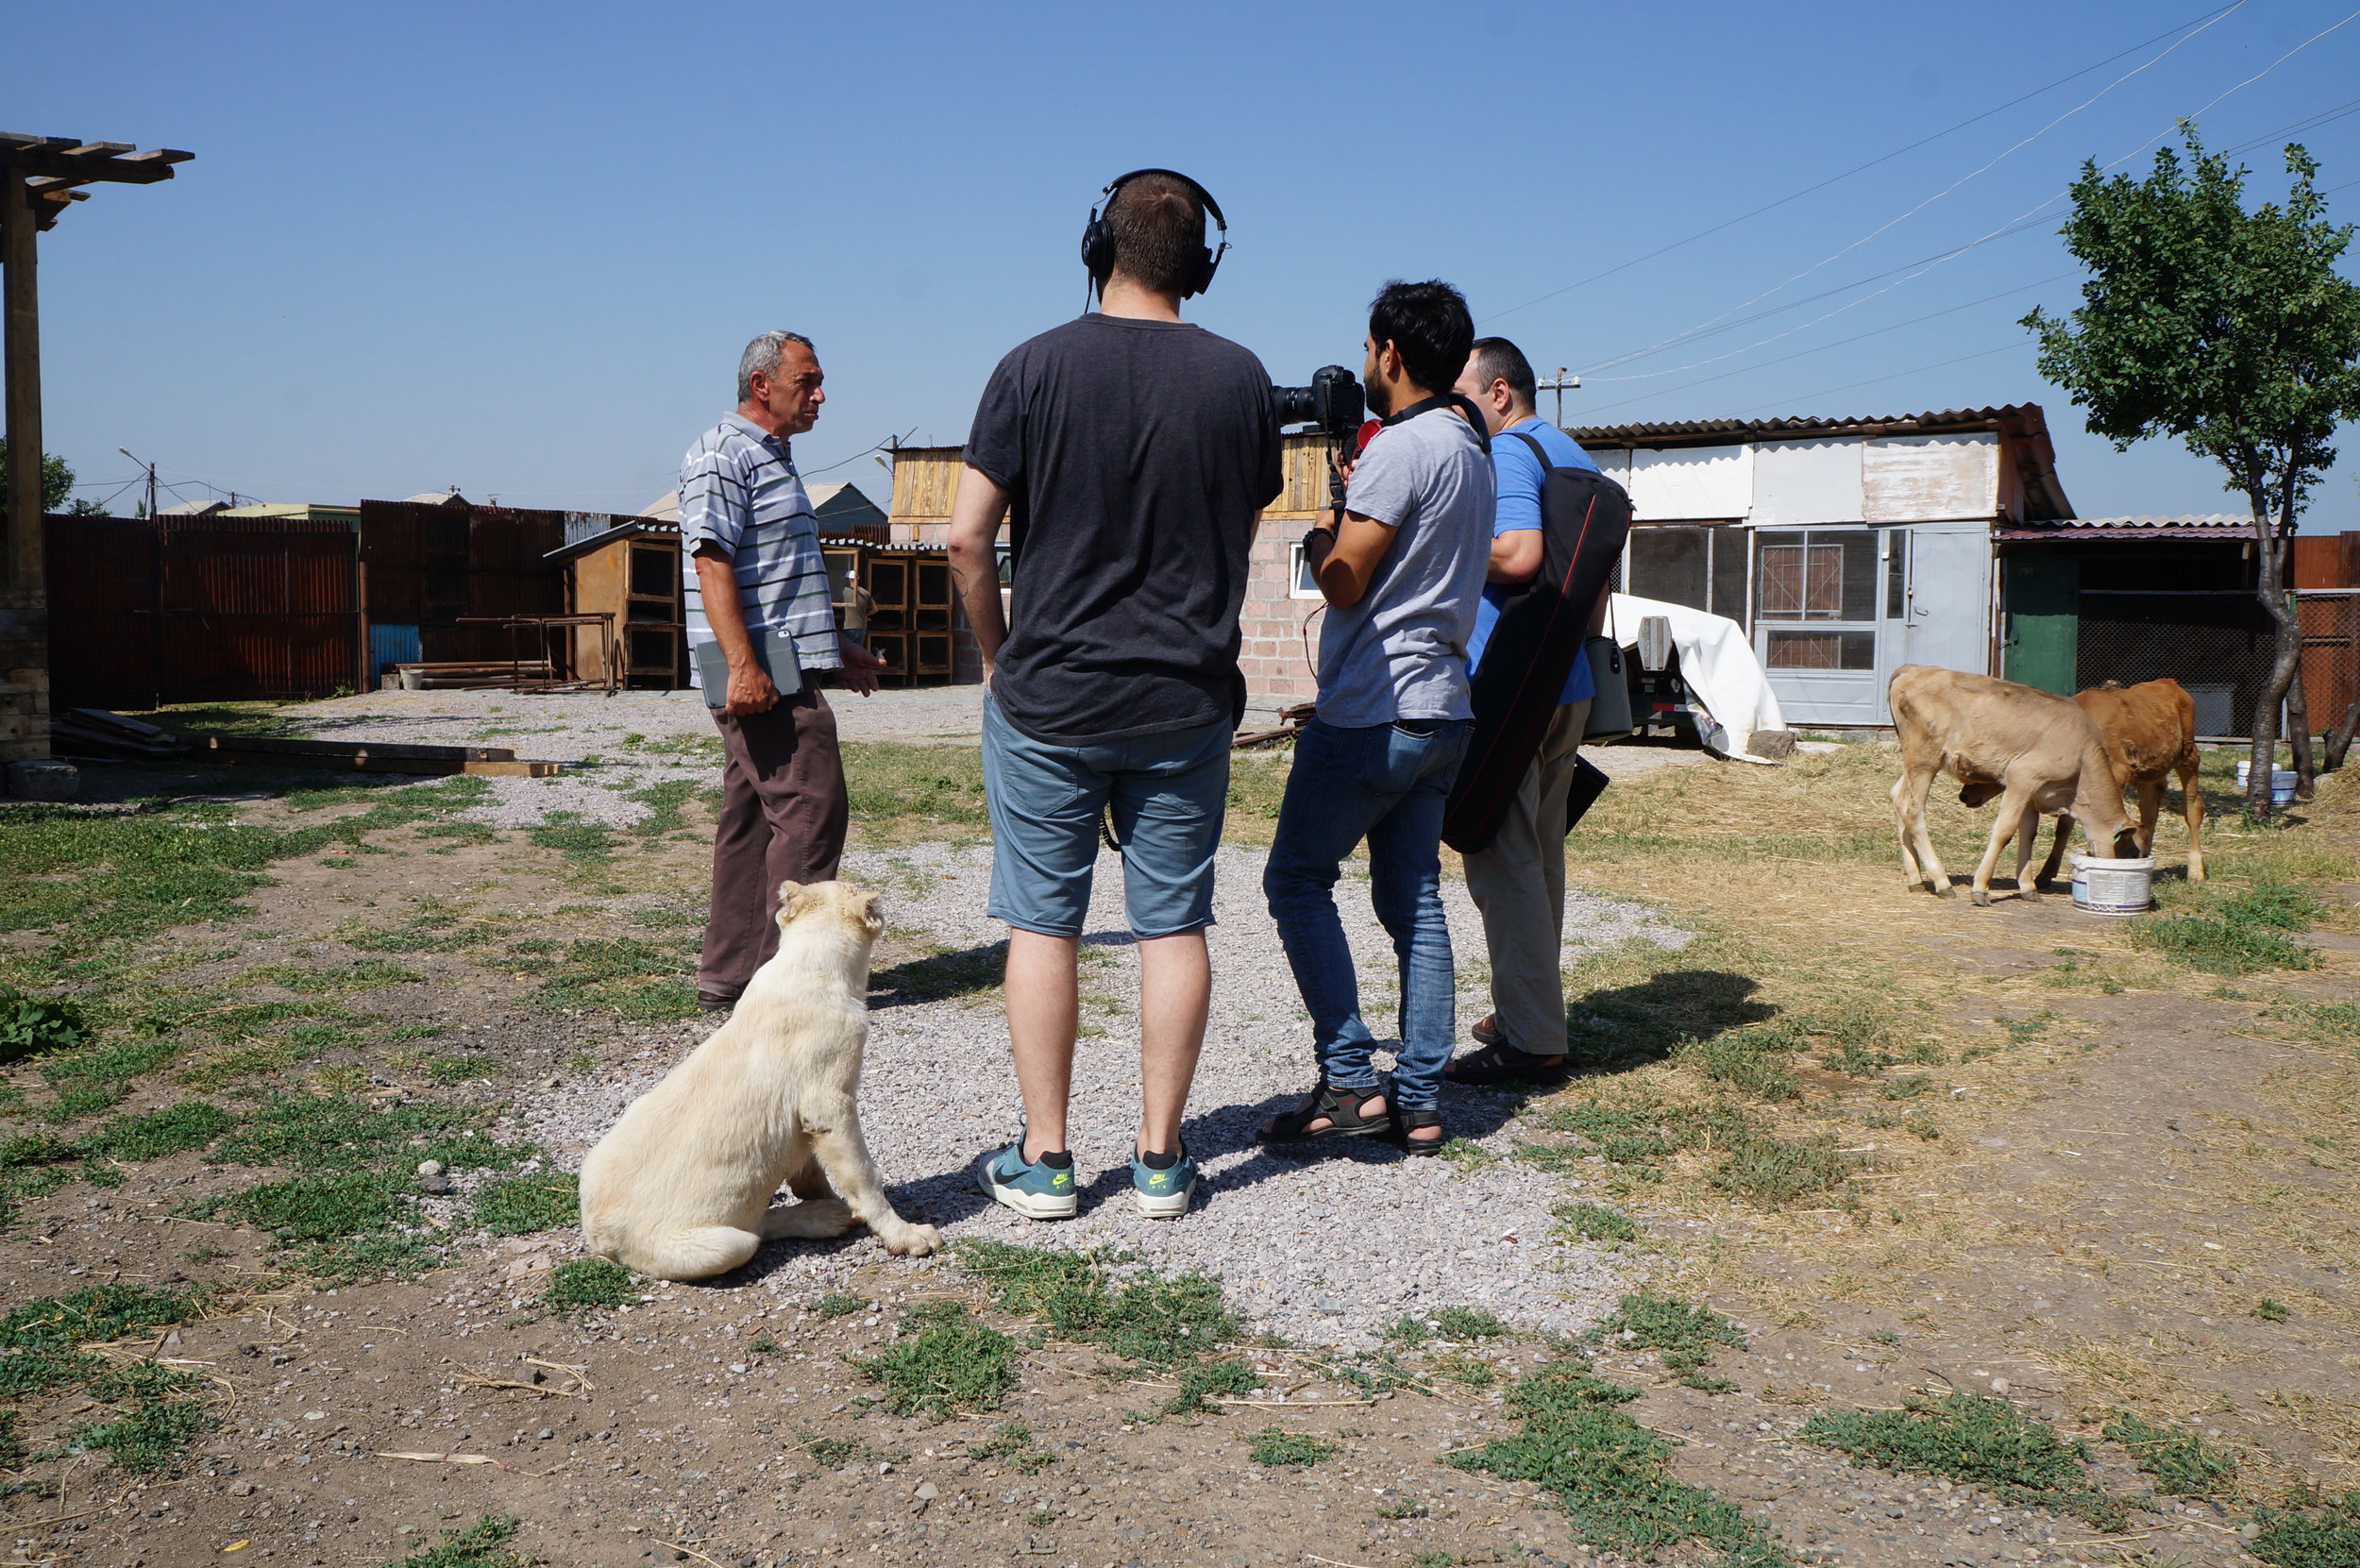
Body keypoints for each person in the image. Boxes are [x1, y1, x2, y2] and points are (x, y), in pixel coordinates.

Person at [945, 170, 1281, 1221]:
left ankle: (1045, 1160)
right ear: (1204, 264)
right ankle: (1161, 1158)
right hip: (1184, 698)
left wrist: (998, 655)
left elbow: (964, 536)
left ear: (1098, 243)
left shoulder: (1030, 365)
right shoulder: (1241, 380)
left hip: (1049, 695)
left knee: (1044, 926)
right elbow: (1240, 523)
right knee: (1171, 924)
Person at [1259, 280, 1493, 1154]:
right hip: (1444, 711)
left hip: (1371, 712)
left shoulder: (1402, 446)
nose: (1363, 360)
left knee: (1295, 879)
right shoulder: (1472, 447)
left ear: (1391, 354)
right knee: (1415, 898)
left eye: (1368, 347)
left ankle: (1351, 1079)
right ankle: (1421, 1098)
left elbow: (1346, 577)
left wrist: (1322, 531)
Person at [681, 330, 885, 1013]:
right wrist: (742, 665)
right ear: (762, 384)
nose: (821, 394)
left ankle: (730, 975)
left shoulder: (775, 458)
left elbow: (774, 576)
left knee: (752, 821)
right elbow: (711, 562)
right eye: (809, 380)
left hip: (780, 665)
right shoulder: (721, 452)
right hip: (760, 673)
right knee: (809, 812)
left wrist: (834, 646)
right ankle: (788, 987)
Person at [1443, 337, 1609, 1084]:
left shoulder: (1509, 452)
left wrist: (1441, 538)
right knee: (1540, 853)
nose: (1459, 412)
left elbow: (1516, 555)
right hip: (1563, 681)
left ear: (1500, 393)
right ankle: (1526, 1008)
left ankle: (1533, 1038)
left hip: (1509, 684)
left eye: (1465, 395)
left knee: (1501, 855)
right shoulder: (1575, 454)